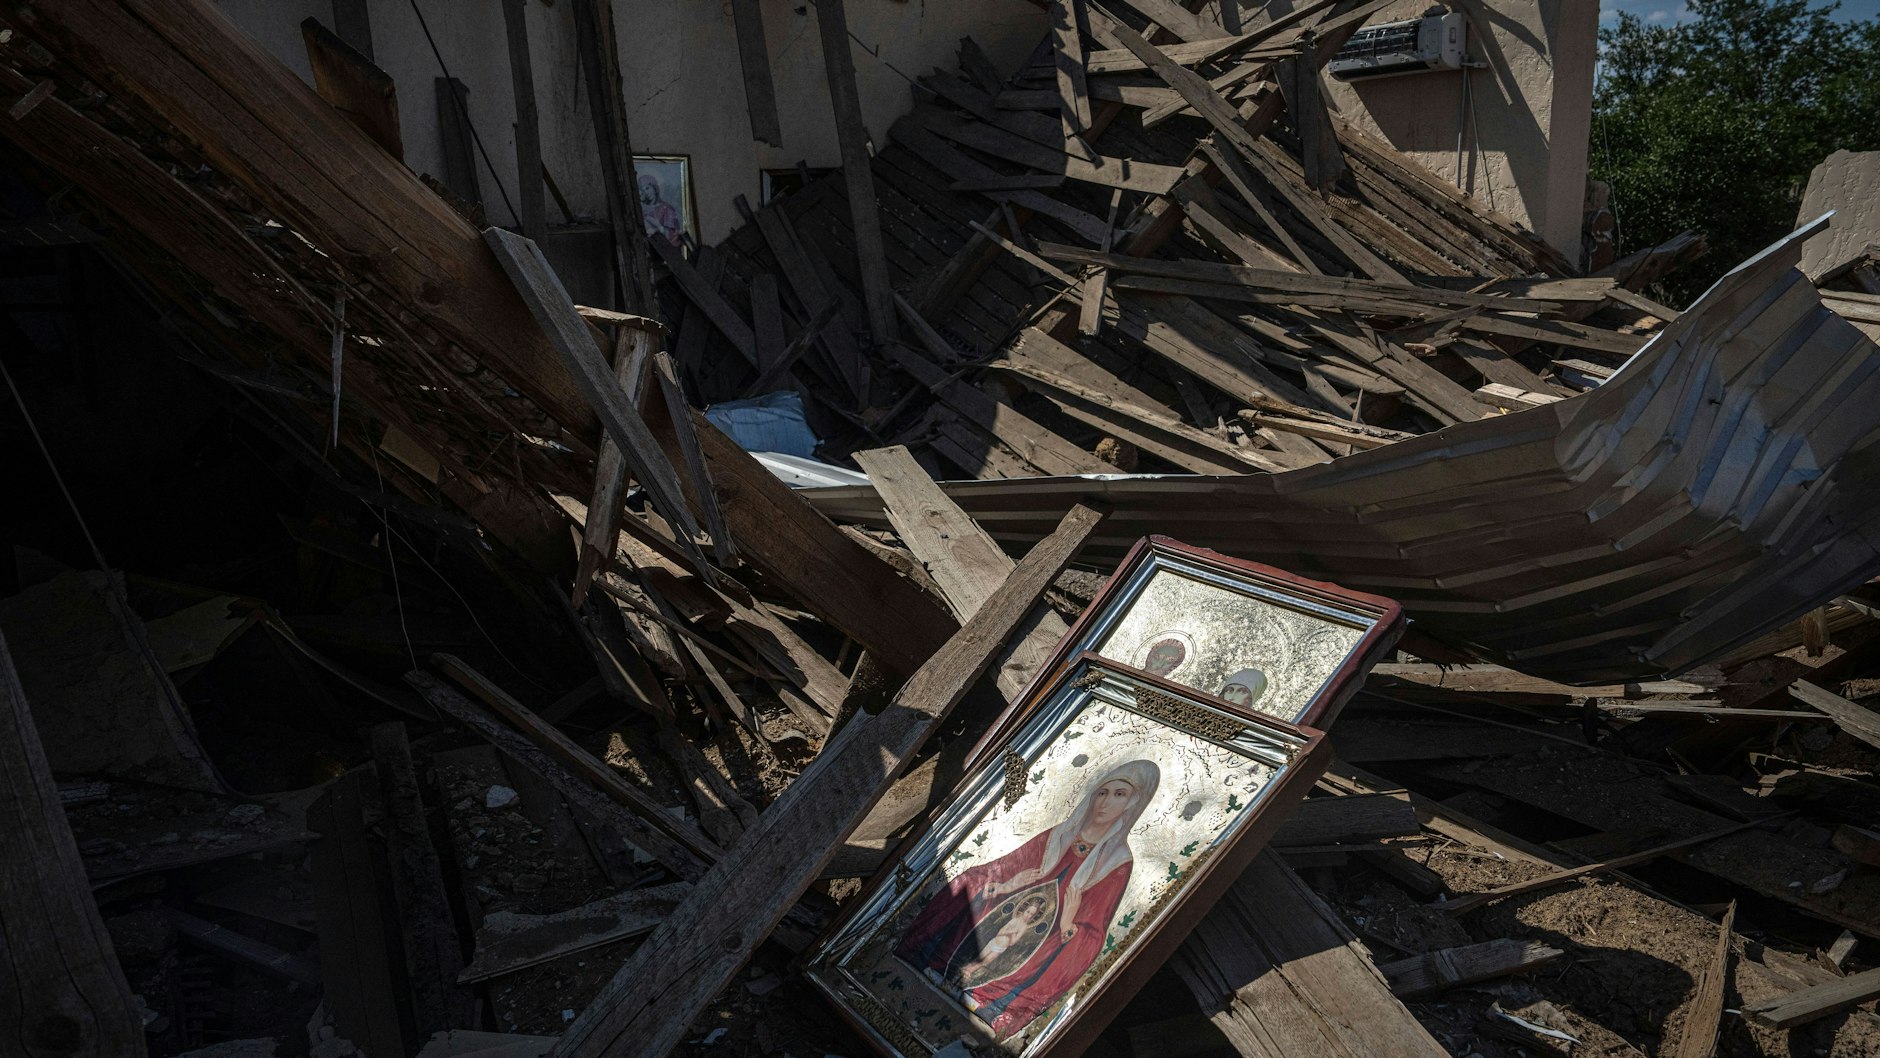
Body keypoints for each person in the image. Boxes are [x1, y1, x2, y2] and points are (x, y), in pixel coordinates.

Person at [893, 759, 1161, 1039]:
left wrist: (1068, 924)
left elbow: (1092, 935)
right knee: (971, 883)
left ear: (1132, 805)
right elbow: (1005, 868)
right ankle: (936, 963)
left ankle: (989, 1003)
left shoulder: (1117, 863)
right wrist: (1004, 885)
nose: (1105, 802)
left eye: (1120, 794)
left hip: (1044, 945)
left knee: (1055, 952)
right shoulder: (1058, 835)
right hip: (1003, 914)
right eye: (1102, 792)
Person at [639, 173, 684, 246]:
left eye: (647, 188)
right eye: (643, 190)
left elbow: (672, 236)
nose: (646, 192)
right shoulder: (642, 209)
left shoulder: (667, 209)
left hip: (663, 247)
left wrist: (657, 228)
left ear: (654, 188)